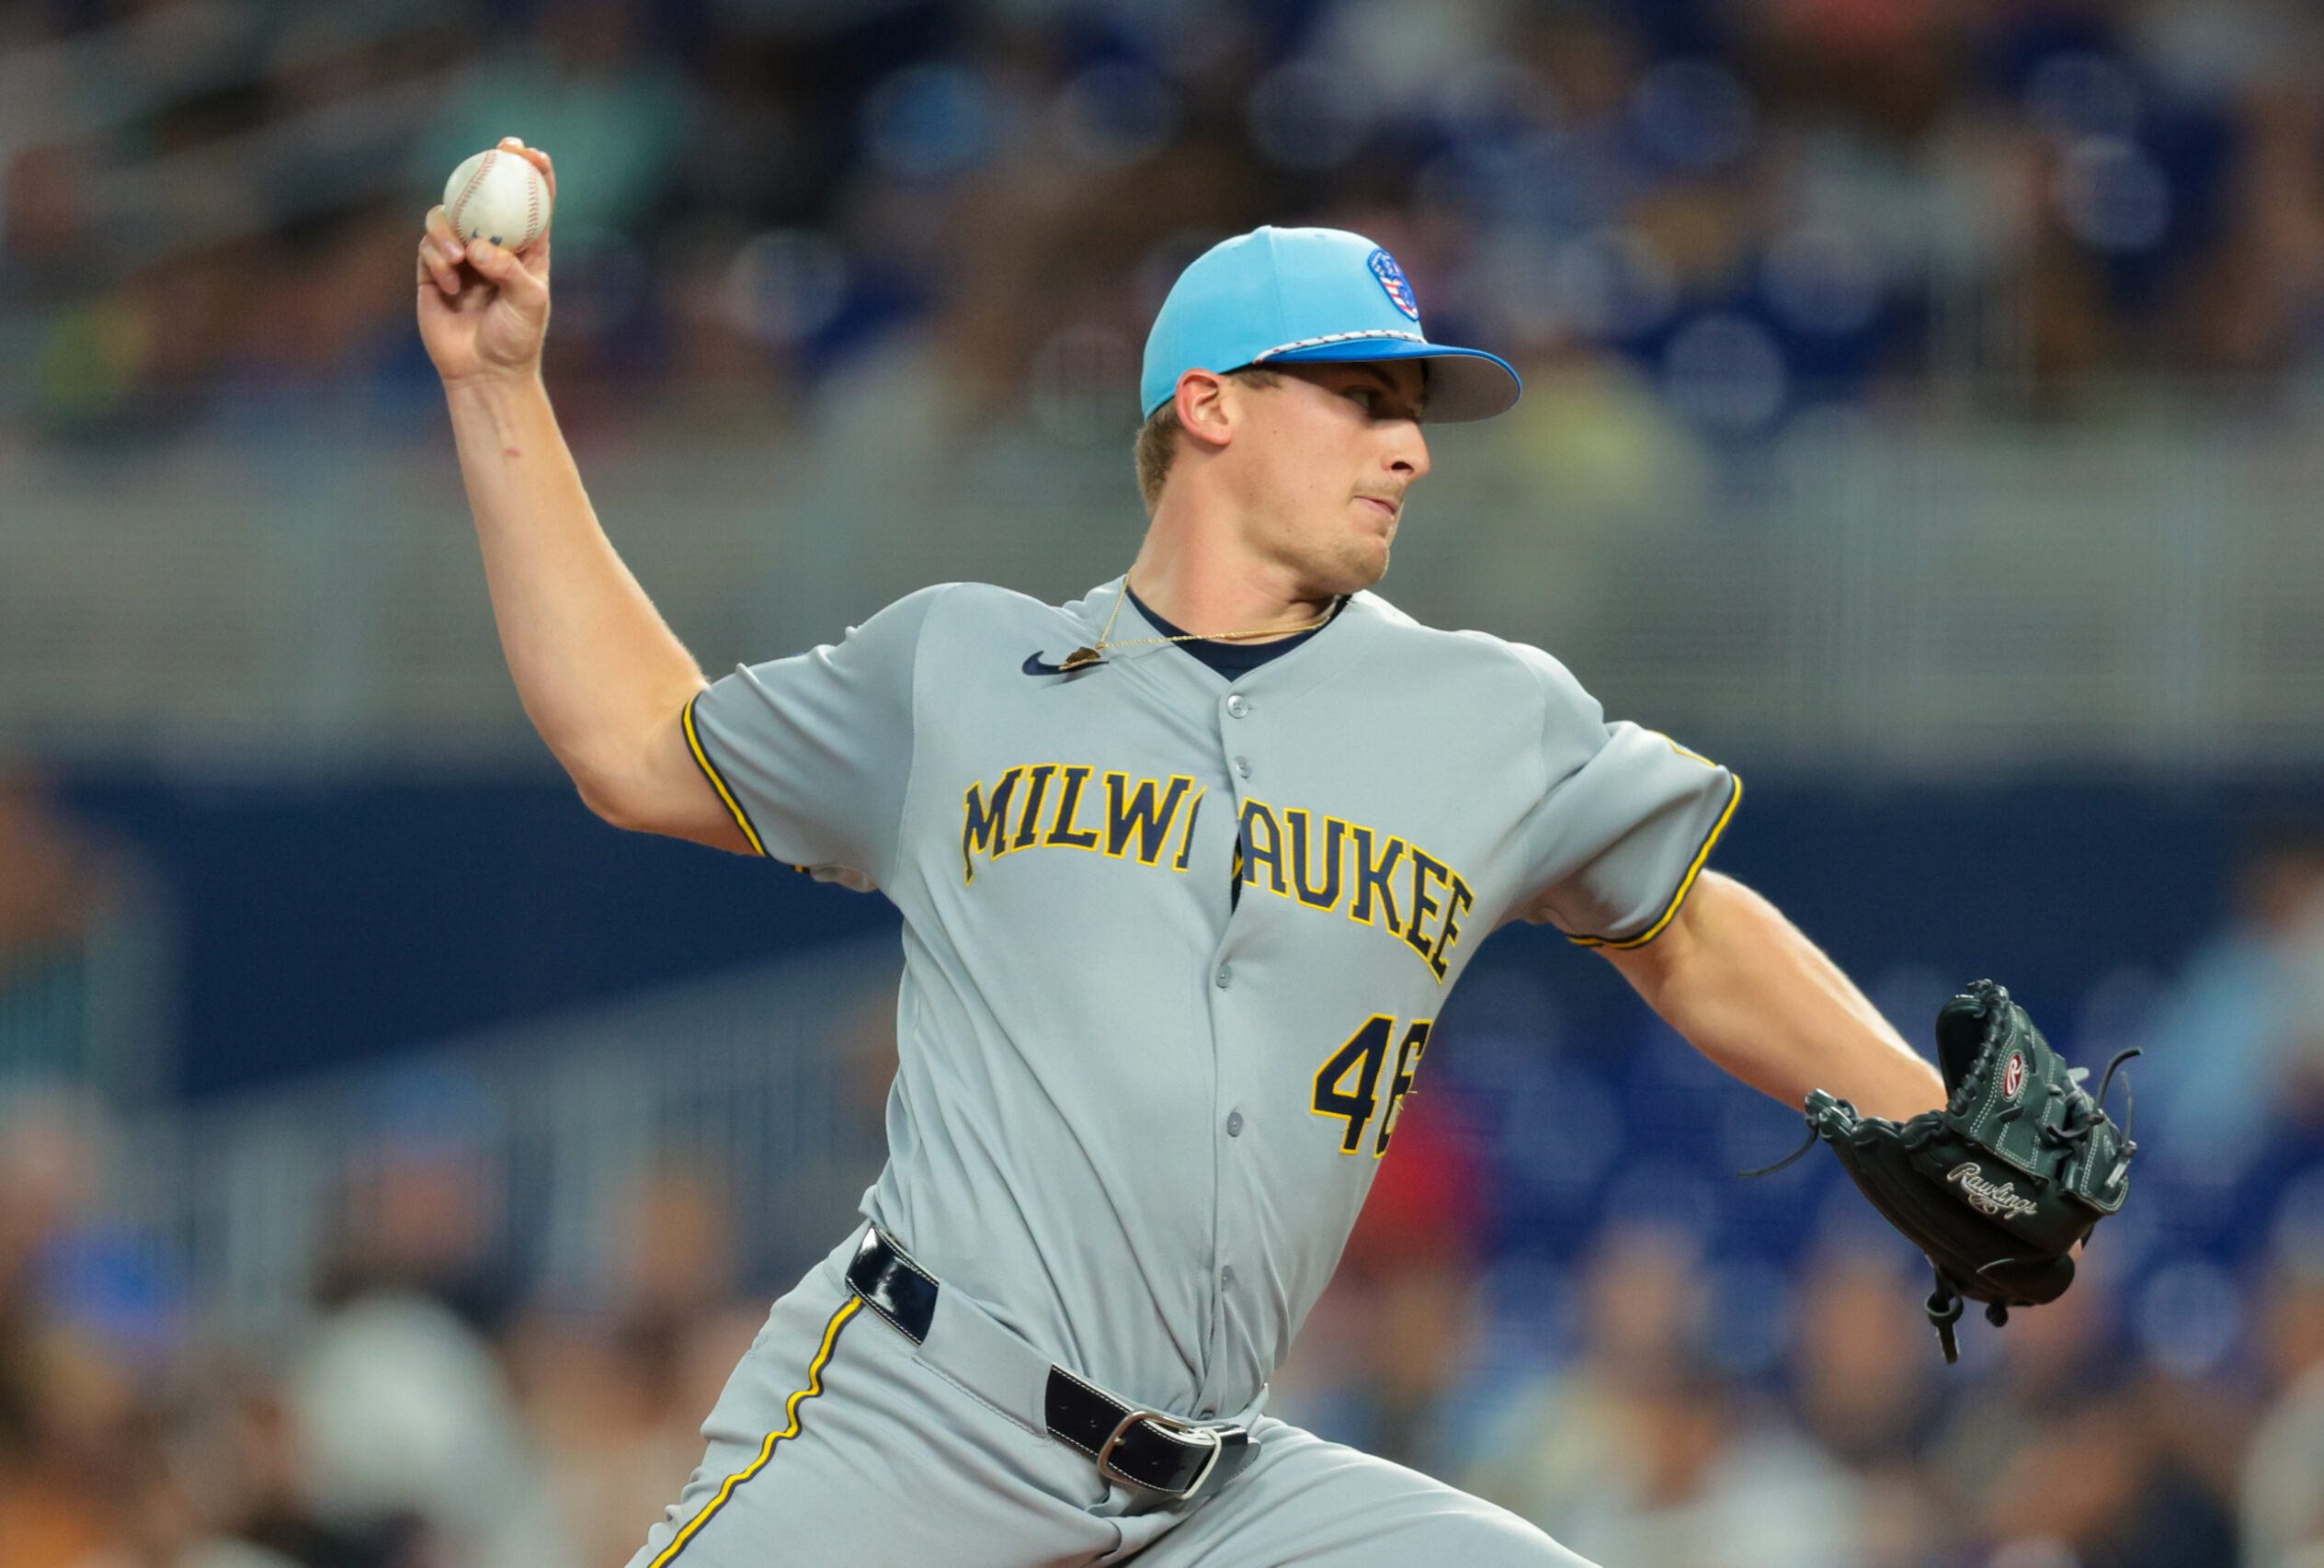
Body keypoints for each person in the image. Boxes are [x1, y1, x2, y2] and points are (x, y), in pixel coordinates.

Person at [417, 137, 1945, 1566]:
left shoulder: (1489, 715)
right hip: (915, 1424)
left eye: (1416, 408)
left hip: (1217, 1493)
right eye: (1362, 396)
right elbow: (635, 745)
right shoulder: (960, 669)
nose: (1411, 448)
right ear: (1208, 404)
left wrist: (1926, 1117)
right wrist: (501, 390)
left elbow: (1679, 922)